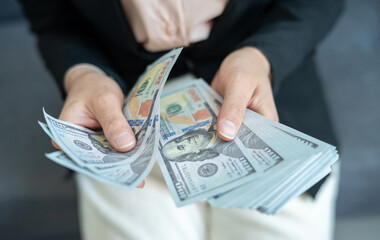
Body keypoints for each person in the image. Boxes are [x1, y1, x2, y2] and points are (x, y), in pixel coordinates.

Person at [19, 0, 343, 239]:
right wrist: (83, 73)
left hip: (265, 97)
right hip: (122, 112)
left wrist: (264, 56)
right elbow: (53, 19)